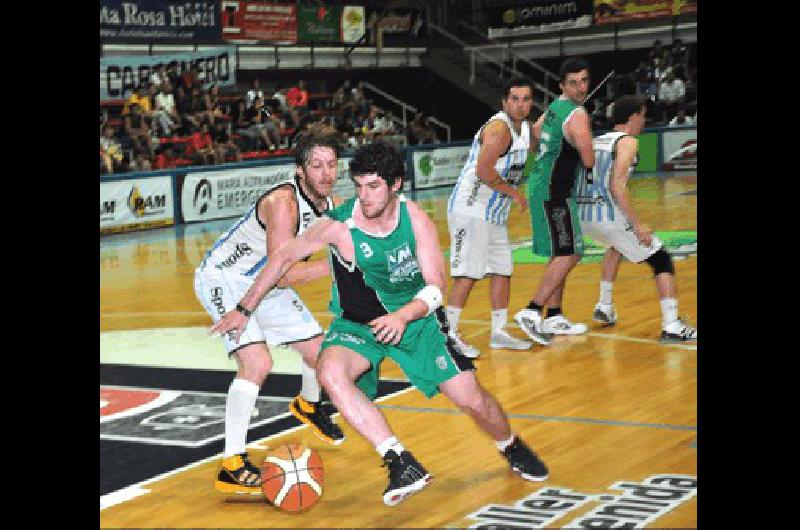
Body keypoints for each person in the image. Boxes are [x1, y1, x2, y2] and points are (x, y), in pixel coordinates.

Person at [210, 142, 549, 506]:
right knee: (330, 371)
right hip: (358, 325)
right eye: (358, 185)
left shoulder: (414, 219)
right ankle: (400, 461)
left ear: (395, 185)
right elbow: (280, 260)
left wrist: (402, 316)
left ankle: (509, 445)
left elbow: (436, 286)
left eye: (373, 187)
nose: (364, 195)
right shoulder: (339, 225)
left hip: (416, 323)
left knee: (473, 400)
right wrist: (244, 309)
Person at [194, 132, 347, 495]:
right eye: (316, 165)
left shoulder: (332, 206)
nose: (326, 174)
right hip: (226, 279)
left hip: (269, 284)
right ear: (300, 170)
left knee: (322, 352)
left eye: (331, 165)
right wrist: (335, 266)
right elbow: (287, 273)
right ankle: (231, 463)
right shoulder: (284, 204)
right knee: (257, 364)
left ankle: (308, 405)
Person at [575, 95, 697, 343]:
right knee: (661, 258)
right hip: (607, 215)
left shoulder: (598, 141)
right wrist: (637, 224)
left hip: (585, 215)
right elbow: (617, 186)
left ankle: (604, 306)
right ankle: (672, 325)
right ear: (632, 118)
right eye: (642, 116)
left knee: (615, 247)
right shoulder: (627, 142)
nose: (644, 121)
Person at [445, 76, 536, 358]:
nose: (521, 105)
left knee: (502, 270)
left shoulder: (525, 129)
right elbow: (484, 170)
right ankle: (448, 335)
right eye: (515, 99)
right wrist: (514, 193)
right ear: (504, 102)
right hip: (471, 209)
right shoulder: (499, 129)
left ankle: (499, 332)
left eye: (526, 99)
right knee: (467, 274)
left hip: (493, 213)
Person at [514, 57, 596, 344]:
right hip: (554, 190)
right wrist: (584, 140)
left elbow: (535, 135)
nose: (580, 87)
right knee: (570, 252)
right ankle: (532, 310)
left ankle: (554, 316)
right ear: (563, 85)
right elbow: (588, 159)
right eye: (573, 83)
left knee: (560, 251)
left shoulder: (554, 107)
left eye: (584, 81)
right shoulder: (578, 115)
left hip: (542, 185)